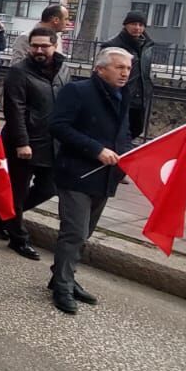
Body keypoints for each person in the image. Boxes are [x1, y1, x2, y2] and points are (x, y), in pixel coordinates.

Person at [47, 48, 134, 314]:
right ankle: (62, 286)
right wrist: (95, 149)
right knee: (74, 231)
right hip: (76, 172)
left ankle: (63, 277)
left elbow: (123, 132)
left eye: (128, 69)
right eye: (119, 67)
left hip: (106, 176)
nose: (124, 73)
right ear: (100, 69)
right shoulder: (78, 91)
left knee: (85, 232)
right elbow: (58, 126)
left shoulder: (122, 95)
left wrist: (128, 157)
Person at [0, 26, 63, 261]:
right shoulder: (19, 72)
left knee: (49, 187)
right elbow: (15, 109)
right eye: (34, 45)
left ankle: (3, 216)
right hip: (23, 142)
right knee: (18, 189)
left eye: (44, 46)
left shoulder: (63, 70)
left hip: (51, 141)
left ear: (54, 46)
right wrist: (22, 142)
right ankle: (18, 237)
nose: (38, 50)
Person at [104, 11, 156, 139]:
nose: (137, 28)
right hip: (120, 98)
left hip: (140, 99)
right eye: (133, 24)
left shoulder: (147, 46)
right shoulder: (113, 45)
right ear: (125, 25)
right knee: (115, 134)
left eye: (141, 24)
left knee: (135, 131)